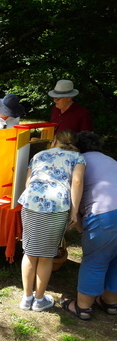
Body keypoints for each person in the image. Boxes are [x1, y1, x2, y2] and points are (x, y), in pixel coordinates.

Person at [18, 129, 86, 312]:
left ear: (54, 140)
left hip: (31, 202)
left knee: (30, 252)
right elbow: (77, 183)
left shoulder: (39, 154)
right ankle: (39, 300)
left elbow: (28, 182)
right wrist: (74, 212)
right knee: (47, 255)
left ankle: (26, 299)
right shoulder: (78, 158)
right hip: (57, 205)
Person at [60, 131, 117, 320]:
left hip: (104, 214)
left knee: (95, 261)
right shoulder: (110, 160)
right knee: (115, 260)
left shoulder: (78, 161)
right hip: (110, 211)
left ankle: (83, 307)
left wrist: (76, 219)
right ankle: (110, 302)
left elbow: (75, 191)